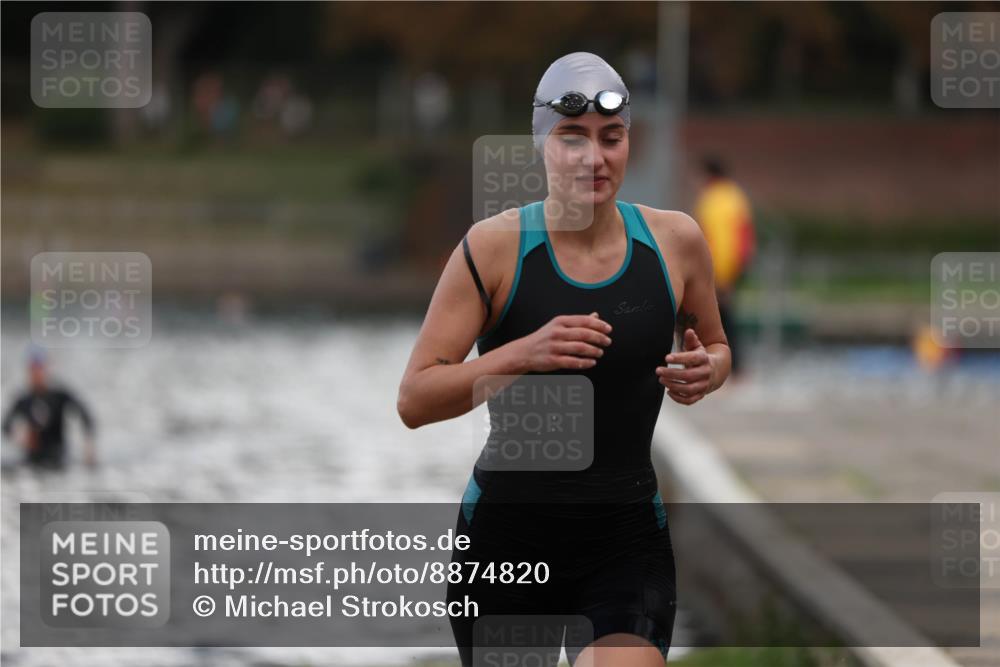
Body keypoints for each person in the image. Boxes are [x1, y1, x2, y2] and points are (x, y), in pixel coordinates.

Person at [398, 52, 731, 666]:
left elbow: (715, 344)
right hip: (507, 542)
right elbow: (415, 398)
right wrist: (523, 354)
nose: (593, 158)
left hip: (626, 536)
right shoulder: (493, 250)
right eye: (571, 138)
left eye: (612, 138)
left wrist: (709, 368)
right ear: (541, 145)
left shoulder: (676, 241)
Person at [693, 155, 755, 377]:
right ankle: (733, 368)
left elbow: (715, 240)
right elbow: (744, 235)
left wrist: (719, 276)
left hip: (719, 272)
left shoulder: (712, 199)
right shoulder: (735, 196)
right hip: (732, 269)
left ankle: (731, 368)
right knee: (726, 319)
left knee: (719, 321)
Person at [2, 349, 96, 470]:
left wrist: (88, 445)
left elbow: (85, 415)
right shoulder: (23, 400)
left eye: (40, 368)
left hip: (59, 456)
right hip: (32, 457)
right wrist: (19, 438)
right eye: (33, 369)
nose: (37, 374)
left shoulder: (59, 396)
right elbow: (5, 426)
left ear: (46, 369)